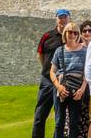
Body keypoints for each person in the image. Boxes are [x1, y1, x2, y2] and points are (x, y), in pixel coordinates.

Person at [32, 8, 70, 138]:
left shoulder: (72, 36)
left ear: (69, 19)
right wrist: (48, 71)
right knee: (40, 115)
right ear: (56, 19)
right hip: (48, 80)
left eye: (65, 17)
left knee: (60, 118)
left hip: (64, 81)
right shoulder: (47, 36)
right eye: (60, 17)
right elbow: (40, 54)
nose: (62, 20)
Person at [50, 22, 88, 138]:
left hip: (77, 90)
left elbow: (87, 73)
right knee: (58, 123)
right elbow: (52, 72)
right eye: (70, 32)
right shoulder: (59, 51)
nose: (72, 35)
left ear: (78, 35)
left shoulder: (84, 51)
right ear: (65, 34)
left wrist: (82, 89)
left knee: (73, 123)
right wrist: (59, 87)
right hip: (61, 89)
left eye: (75, 32)